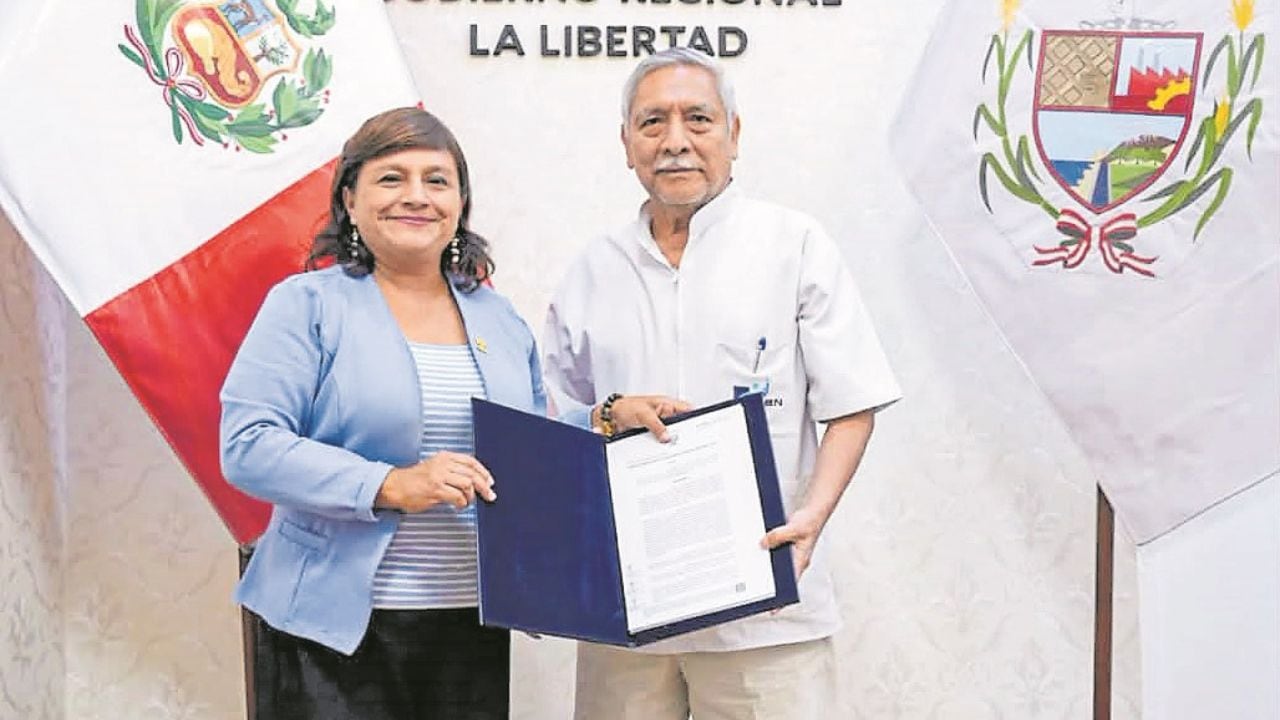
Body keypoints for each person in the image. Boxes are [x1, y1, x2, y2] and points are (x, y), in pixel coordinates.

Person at [542, 48, 902, 719]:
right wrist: (610, 411)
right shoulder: (593, 269)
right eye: (652, 122)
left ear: (734, 134)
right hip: (627, 620)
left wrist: (812, 520)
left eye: (697, 119)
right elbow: (555, 417)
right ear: (626, 144)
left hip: (765, 617)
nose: (675, 140)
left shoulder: (794, 245)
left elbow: (852, 405)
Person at [220, 107, 545, 720]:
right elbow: (249, 445)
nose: (416, 196)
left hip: (469, 625)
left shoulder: (499, 320)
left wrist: (611, 419)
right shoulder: (305, 305)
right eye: (391, 178)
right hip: (332, 631)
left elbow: (531, 444)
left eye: (436, 180)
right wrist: (392, 484)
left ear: (460, 202)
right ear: (350, 198)